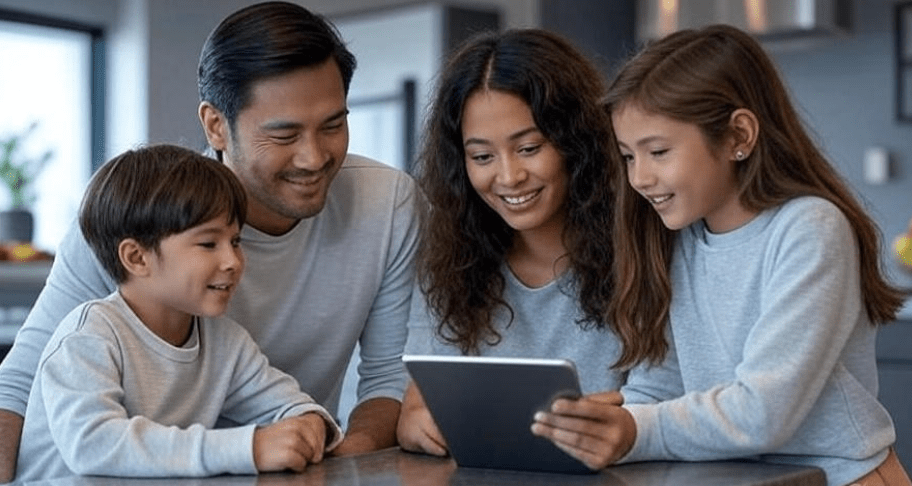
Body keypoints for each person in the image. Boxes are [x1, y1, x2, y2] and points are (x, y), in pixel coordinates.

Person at [0, 1, 418, 480]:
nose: (314, 157)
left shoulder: (387, 206)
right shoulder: (131, 219)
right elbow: (23, 385)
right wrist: (248, 446)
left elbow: (380, 381)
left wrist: (322, 449)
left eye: (333, 125)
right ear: (216, 124)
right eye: (284, 135)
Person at [530, 24, 912, 486]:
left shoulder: (809, 228)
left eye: (658, 151)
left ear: (739, 136)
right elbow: (660, 387)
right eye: (629, 156)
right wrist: (601, 425)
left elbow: (763, 412)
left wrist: (636, 430)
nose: (640, 178)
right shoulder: (678, 239)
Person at [13, 145, 343, 482]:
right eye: (208, 244)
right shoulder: (87, 337)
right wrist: (249, 447)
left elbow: (289, 405)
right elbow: (93, 443)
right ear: (137, 258)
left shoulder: (224, 342)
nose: (232, 261)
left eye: (236, 241)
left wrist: (309, 423)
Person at [397, 28, 651, 456]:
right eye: (481, 157)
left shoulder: (644, 250)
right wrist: (417, 427)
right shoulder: (449, 263)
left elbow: (659, 404)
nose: (509, 176)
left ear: (577, 142)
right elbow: (417, 406)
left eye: (529, 147)